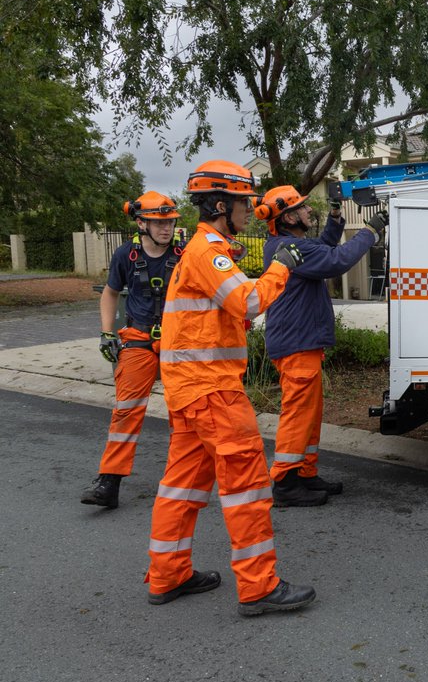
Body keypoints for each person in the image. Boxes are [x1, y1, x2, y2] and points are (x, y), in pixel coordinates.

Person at [145, 159, 315, 616]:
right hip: (213, 391)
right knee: (248, 486)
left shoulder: (205, 251)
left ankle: (168, 574)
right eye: (243, 202)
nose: (249, 209)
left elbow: (225, 308)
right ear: (222, 205)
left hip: (190, 390)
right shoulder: (207, 251)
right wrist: (279, 266)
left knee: (181, 486)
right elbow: (250, 301)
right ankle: (258, 587)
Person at [255, 186, 388, 506]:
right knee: (298, 415)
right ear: (288, 217)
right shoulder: (289, 246)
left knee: (310, 415)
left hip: (300, 342)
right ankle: (285, 483)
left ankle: (304, 474)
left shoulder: (288, 244)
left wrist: (336, 217)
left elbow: (324, 247)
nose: (307, 211)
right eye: (302, 208)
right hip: (296, 343)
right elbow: (337, 259)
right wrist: (370, 231)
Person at [82, 192, 184, 509]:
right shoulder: (125, 255)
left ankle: (186, 478)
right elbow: (110, 293)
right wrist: (106, 332)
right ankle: (108, 483)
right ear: (142, 223)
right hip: (138, 339)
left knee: (184, 411)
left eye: (169, 222)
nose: (166, 228)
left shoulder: (186, 253)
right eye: (158, 222)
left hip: (178, 341)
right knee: (126, 411)